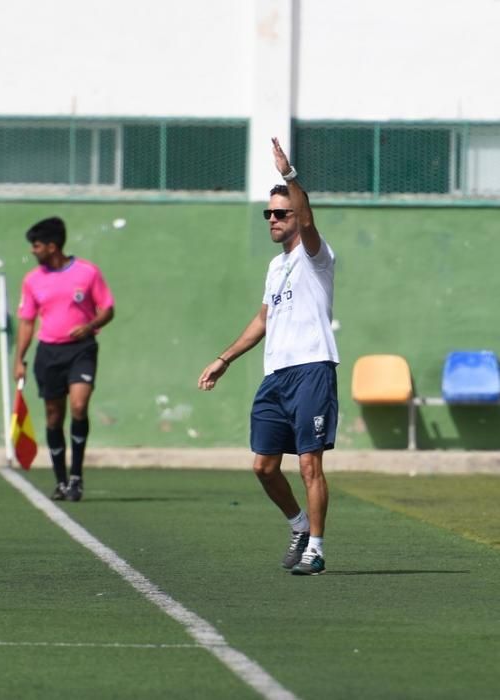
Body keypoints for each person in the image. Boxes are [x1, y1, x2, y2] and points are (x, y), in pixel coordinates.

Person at [198, 138, 339, 575]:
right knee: (263, 466)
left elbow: (310, 220)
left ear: (297, 215)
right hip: (276, 376)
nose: (273, 220)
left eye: (281, 213)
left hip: (313, 369)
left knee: (310, 464)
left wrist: (291, 176)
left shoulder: (316, 256)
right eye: (269, 214)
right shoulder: (276, 268)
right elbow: (263, 320)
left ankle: (315, 548)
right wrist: (225, 358)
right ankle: (298, 525)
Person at [14, 216, 115, 502]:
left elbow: (108, 309)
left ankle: (76, 477)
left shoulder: (87, 272)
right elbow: (26, 322)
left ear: (52, 246)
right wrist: (19, 359)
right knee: (53, 416)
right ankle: (60, 480)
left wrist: (90, 324)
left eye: (36, 245)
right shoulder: (32, 280)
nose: (33, 251)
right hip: (48, 353)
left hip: (81, 350)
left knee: (79, 406)